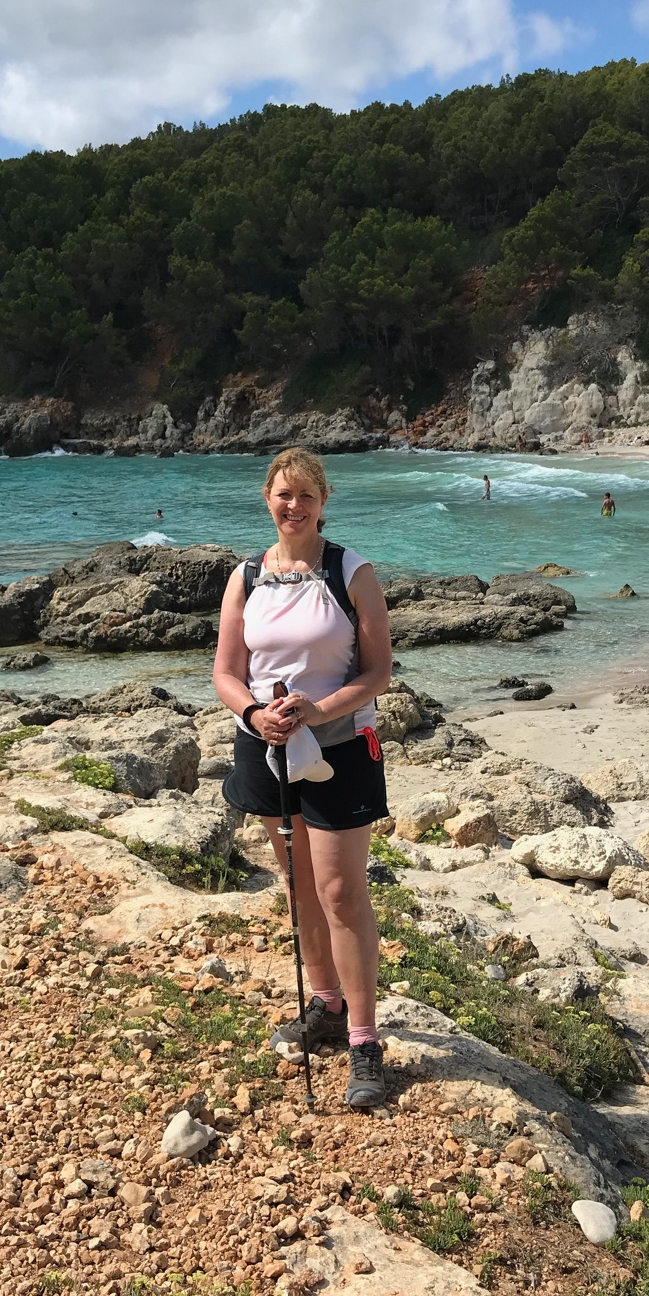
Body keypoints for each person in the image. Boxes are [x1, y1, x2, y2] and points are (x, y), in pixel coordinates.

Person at [213, 448, 394, 1109]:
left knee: (342, 892)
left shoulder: (352, 571)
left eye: (305, 497)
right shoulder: (244, 577)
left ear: (324, 502)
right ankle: (324, 1003)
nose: (293, 507)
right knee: (299, 886)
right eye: (283, 495)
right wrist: (255, 713)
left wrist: (320, 709)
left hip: (343, 746)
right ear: (267, 498)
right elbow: (226, 672)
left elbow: (377, 672)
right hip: (268, 749)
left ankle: (365, 1041)